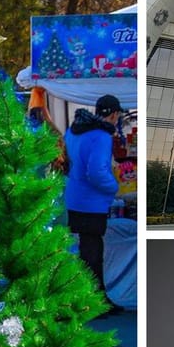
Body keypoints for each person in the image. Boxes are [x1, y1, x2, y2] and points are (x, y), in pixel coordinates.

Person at [64, 94, 123, 315]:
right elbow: (97, 172)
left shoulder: (73, 132)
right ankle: (95, 301)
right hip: (92, 202)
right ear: (114, 115)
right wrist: (113, 186)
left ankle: (88, 298)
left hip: (73, 198)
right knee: (93, 251)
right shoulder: (101, 137)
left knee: (84, 250)